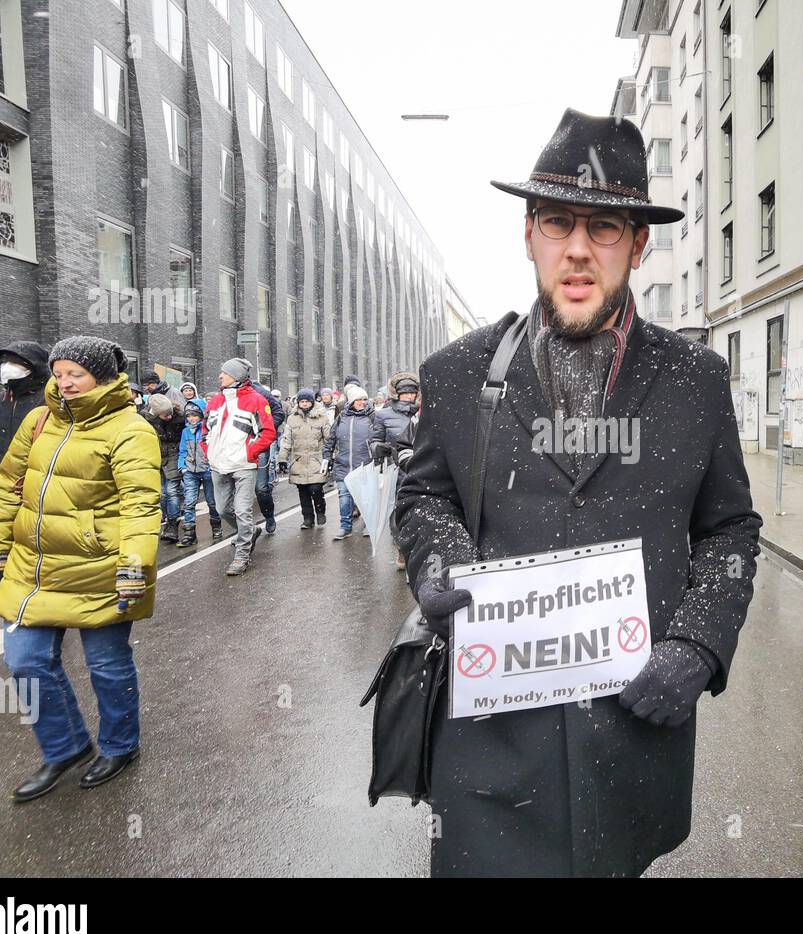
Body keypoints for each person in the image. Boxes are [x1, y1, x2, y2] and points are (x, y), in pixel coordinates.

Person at [395, 108, 762, 877]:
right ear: (528, 233)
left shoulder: (696, 382)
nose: (577, 249)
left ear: (638, 243)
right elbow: (424, 498)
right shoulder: (457, 374)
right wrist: (440, 563)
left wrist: (699, 641)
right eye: (558, 222)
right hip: (490, 745)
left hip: (630, 743)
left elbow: (730, 527)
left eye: (604, 227)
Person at [0, 336, 159, 801]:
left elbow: (141, 505)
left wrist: (134, 569)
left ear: (99, 376)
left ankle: (121, 746)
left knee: (107, 666)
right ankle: (66, 746)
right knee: (26, 662)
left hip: (98, 567)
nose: (65, 383)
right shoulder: (40, 420)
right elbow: (8, 487)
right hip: (31, 567)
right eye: (58, 374)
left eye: (75, 374)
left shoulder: (130, 429)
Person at [202, 358, 275, 576]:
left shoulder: (257, 400)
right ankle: (250, 532)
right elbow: (205, 430)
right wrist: (208, 450)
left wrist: (250, 452)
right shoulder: (215, 401)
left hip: (243, 465)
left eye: (224, 373)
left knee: (243, 510)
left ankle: (242, 555)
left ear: (236, 376)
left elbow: (268, 432)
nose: (220, 376)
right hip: (218, 465)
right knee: (223, 509)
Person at [0, 341, 51, 523]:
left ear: (34, 365)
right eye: (3, 362)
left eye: (15, 362)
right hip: (2, 492)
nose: (7, 367)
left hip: (40, 493)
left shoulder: (50, 399)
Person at [370, 372, 420, 569]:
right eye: (405, 393)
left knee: (419, 515)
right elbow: (374, 441)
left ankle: (416, 554)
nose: (409, 396)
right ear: (396, 394)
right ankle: (402, 549)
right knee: (397, 517)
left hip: (421, 471)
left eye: (412, 393)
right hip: (395, 472)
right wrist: (379, 448)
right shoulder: (383, 415)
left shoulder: (424, 413)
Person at [321, 383, 374, 540]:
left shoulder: (372, 417)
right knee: (344, 496)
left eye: (364, 399)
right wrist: (326, 456)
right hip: (343, 464)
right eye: (359, 399)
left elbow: (380, 437)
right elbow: (331, 438)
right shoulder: (341, 417)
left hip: (364, 464)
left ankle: (368, 525)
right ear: (351, 401)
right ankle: (345, 527)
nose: (362, 402)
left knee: (365, 498)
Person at [278, 388, 329, 529]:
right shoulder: (292, 418)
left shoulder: (321, 418)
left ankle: (320, 511)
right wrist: (282, 458)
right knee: (303, 491)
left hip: (316, 459)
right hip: (298, 459)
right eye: (302, 401)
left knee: (316, 488)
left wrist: (329, 457)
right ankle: (307, 518)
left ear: (312, 402)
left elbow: (328, 439)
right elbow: (287, 439)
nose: (305, 404)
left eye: (307, 401)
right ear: (298, 402)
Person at [176, 400, 222, 546]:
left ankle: (216, 526)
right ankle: (189, 533)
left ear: (201, 416)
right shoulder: (185, 431)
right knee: (189, 502)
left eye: (194, 415)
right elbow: (182, 450)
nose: (191, 419)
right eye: (188, 416)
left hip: (207, 470)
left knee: (211, 501)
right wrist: (182, 466)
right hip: (190, 471)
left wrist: (212, 464)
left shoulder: (207, 430)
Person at [143, 393, 187, 543]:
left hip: (174, 455)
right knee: (161, 493)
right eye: (164, 415)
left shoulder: (179, 417)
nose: (168, 417)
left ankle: (172, 524)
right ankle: (168, 519)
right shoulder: (145, 419)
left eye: (170, 414)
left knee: (172, 491)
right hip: (156, 457)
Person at [251, 381, 285, 535]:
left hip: (259, 446)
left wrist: (264, 431)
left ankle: (269, 516)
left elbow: (278, 413)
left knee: (261, 488)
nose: (221, 377)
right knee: (236, 492)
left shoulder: (259, 392)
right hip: (235, 449)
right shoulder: (224, 395)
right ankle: (244, 531)